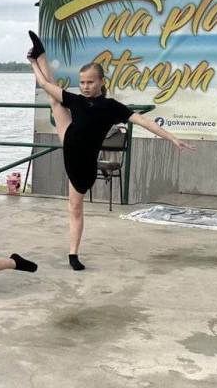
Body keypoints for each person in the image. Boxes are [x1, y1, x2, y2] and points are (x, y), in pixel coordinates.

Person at [26, 31, 194, 271]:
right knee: (53, 98)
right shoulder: (76, 100)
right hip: (68, 138)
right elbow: (44, 85)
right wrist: (33, 63)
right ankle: (40, 53)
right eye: (82, 82)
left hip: (82, 163)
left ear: (101, 82)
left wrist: (173, 138)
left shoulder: (111, 107)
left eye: (90, 82)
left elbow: (144, 122)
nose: (85, 87)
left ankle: (74, 254)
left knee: (75, 207)